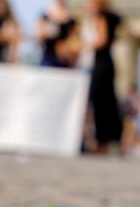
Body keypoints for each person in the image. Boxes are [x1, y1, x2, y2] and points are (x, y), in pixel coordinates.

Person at [86, 0, 123, 154]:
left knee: (100, 101)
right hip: (109, 62)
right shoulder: (115, 17)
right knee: (109, 100)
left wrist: (83, 46)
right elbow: (129, 33)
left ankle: (101, 141)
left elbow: (101, 40)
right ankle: (111, 140)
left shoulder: (101, 17)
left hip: (101, 64)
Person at [36, 0, 78, 68]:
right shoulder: (46, 15)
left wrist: (67, 46)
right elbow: (39, 36)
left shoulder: (71, 19)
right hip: (48, 58)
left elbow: (75, 41)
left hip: (64, 60)